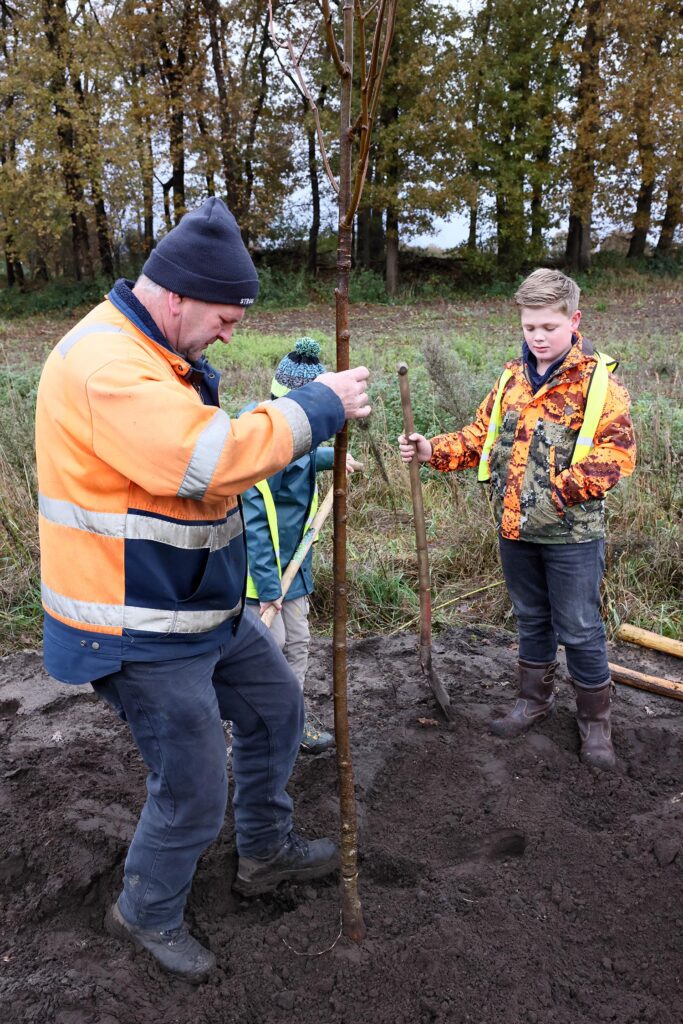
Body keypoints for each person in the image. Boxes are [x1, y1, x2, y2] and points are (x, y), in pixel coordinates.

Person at [35, 197, 371, 983]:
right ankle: (144, 913)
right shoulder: (106, 366)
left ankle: (265, 851)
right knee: (189, 782)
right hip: (134, 624)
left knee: (276, 709)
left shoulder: (156, 353)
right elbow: (203, 461)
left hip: (198, 611)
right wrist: (315, 407)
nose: (231, 332)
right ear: (177, 295)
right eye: (225, 317)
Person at [399, 268, 636, 770]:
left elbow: (618, 456)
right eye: (530, 327)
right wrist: (430, 449)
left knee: (579, 626)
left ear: (574, 321)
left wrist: (557, 495)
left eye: (549, 327)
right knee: (531, 619)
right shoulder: (512, 380)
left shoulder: (599, 385)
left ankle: (595, 724)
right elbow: (479, 437)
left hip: (571, 535)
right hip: (515, 530)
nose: (538, 337)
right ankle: (534, 701)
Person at [241, 338, 362, 755]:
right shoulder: (255, 453)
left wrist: (335, 457)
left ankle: (292, 723)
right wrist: (268, 591)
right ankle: (255, 734)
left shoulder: (298, 443)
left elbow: (306, 455)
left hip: (295, 571)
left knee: (297, 645)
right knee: (266, 655)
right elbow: (255, 528)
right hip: (262, 578)